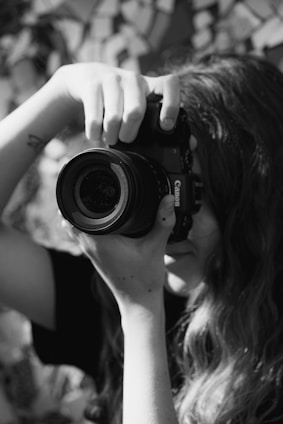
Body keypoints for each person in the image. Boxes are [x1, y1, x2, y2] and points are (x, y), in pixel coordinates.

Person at [0, 53, 283, 424]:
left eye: (189, 192)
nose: (164, 219)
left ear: (262, 197)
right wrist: (62, 92)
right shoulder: (119, 292)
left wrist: (140, 314)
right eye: (155, 186)